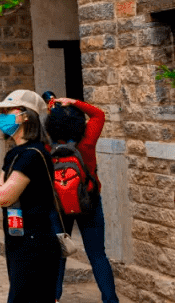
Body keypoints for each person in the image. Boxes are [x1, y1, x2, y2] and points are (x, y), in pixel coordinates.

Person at [0, 89, 60, 303]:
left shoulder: (31, 156)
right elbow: (0, 192)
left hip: (34, 242)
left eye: (9, 110)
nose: (3, 116)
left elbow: (3, 196)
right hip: (18, 237)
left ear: (26, 116)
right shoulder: (15, 153)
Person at [45, 96, 119, 303]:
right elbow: (98, 114)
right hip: (89, 202)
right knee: (97, 255)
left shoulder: (48, 144)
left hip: (58, 204)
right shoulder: (87, 141)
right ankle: (110, 300)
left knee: (58, 252)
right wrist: (73, 102)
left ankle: (54, 297)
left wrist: (52, 109)